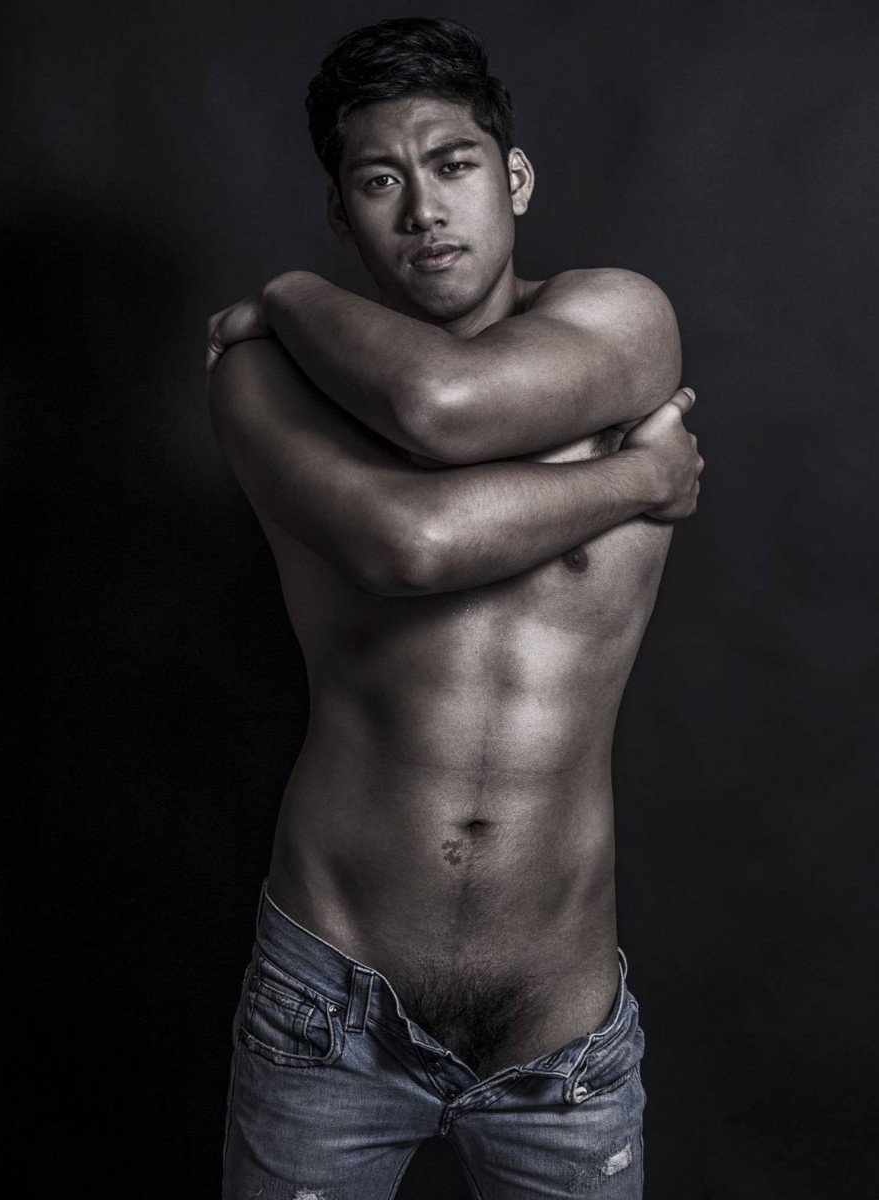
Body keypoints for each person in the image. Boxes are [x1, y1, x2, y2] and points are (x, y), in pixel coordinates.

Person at [206, 16, 703, 1199]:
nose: (424, 210)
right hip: (329, 1008)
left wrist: (286, 292)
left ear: (514, 177)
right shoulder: (263, 372)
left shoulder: (623, 320)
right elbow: (412, 537)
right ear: (342, 215)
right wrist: (637, 480)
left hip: (562, 1038)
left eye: (453, 163)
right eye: (380, 181)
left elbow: (453, 406)